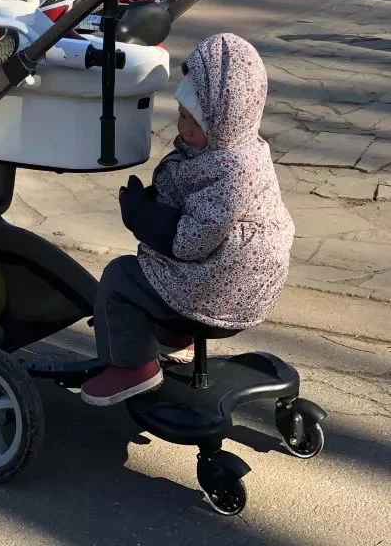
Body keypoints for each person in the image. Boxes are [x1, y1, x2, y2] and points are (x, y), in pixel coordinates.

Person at [81, 33, 295, 407]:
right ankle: (176, 337)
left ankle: (133, 367)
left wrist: (144, 217)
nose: (183, 128)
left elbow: (191, 242)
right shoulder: (245, 149)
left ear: (223, 122)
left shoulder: (230, 171)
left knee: (121, 278)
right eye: (181, 116)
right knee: (160, 275)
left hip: (220, 290)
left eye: (192, 121)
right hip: (246, 288)